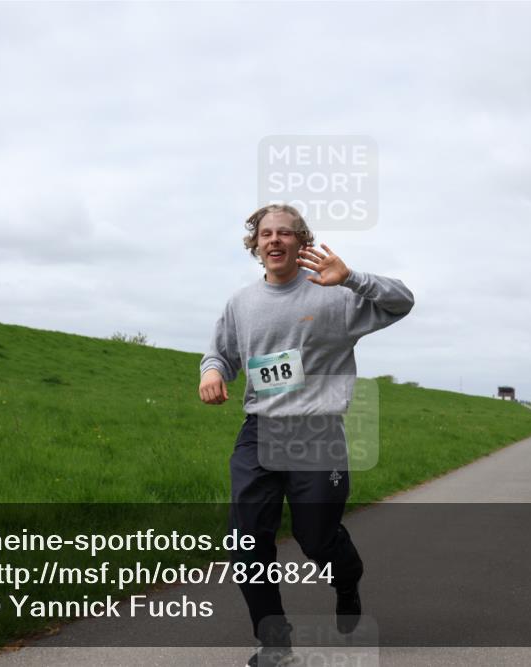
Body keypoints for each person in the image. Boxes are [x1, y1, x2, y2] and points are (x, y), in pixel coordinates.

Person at [199, 204, 414, 667]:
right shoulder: (241, 303)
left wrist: (354, 277)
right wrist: (212, 373)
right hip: (260, 432)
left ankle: (347, 578)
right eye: (265, 234)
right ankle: (275, 646)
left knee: (315, 538)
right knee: (246, 543)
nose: (273, 240)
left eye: (284, 233)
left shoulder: (333, 295)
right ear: (255, 245)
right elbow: (219, 354)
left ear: (302, 242)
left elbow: (402, 301)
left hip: (317, 432)